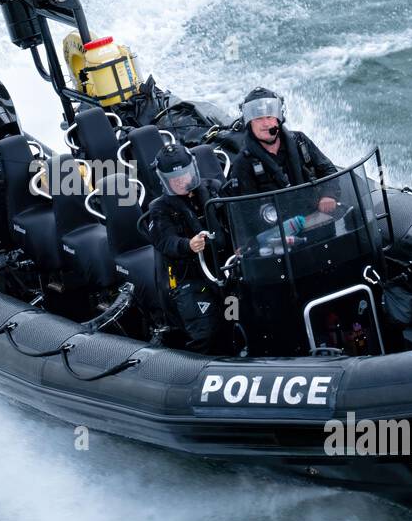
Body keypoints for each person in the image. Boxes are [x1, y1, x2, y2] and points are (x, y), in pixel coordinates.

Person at [143, 143, 226, 354]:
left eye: (185, 174)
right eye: (175, 178)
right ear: (165, 180)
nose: (181, 181)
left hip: (225, 273)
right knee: (205, 333)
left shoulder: (214, 189)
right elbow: (164, 241)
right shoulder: (159, 209)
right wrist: (187, 244)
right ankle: (196, 369)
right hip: (190, 280)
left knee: (235, 315)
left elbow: (236, 218)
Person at [227, 87, 340, 212]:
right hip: (278, 228)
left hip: (315, 214)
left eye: (269, 117)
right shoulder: (243, 163)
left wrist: (328, 195)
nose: (265, 123)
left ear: (278, 118)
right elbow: (247, 212)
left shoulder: (300, 141)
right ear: (249, 123)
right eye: (258, 118)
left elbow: (329, 170)